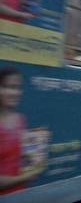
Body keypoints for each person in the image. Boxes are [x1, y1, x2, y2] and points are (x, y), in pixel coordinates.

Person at [0, 67, 41, 195]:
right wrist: (25, 177)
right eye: (9, 87)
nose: (15, 93)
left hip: (20, 195)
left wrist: (34, 161)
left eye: (18, 88)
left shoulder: (21, 120)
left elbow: (22, 159)